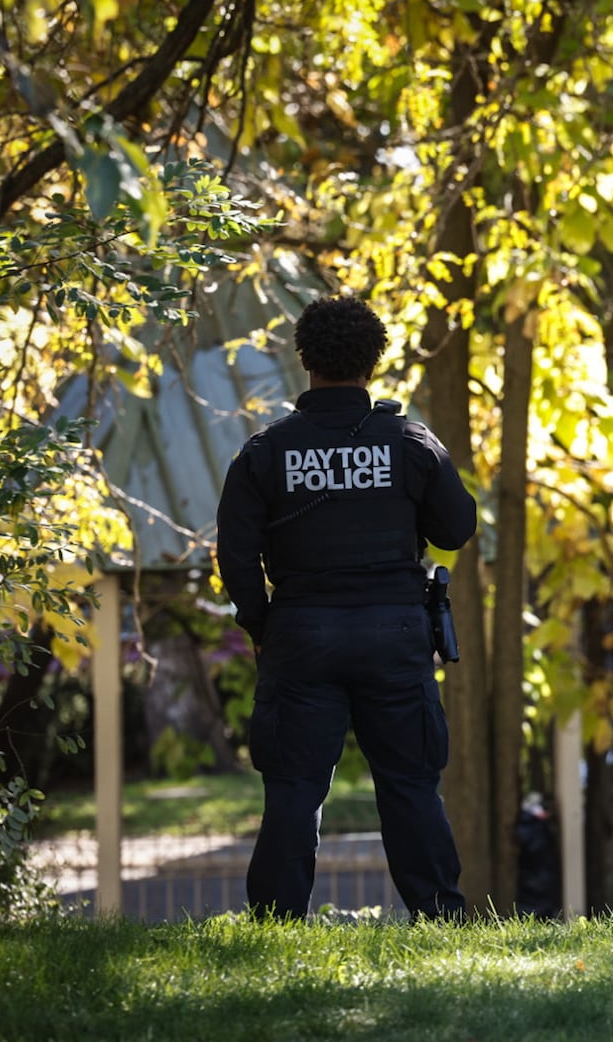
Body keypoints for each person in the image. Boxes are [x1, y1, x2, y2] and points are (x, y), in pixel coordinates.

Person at [215, 295, 478, 921]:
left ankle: (274, 925)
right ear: (373, 360)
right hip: (395, 632)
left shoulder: (265, 451)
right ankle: (440, 916)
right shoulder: (408, 440)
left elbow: (235, 553)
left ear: (304, 359)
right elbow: (458, 526)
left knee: (294, 789)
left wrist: (262, 626)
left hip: (302, 634)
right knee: (411, 784)